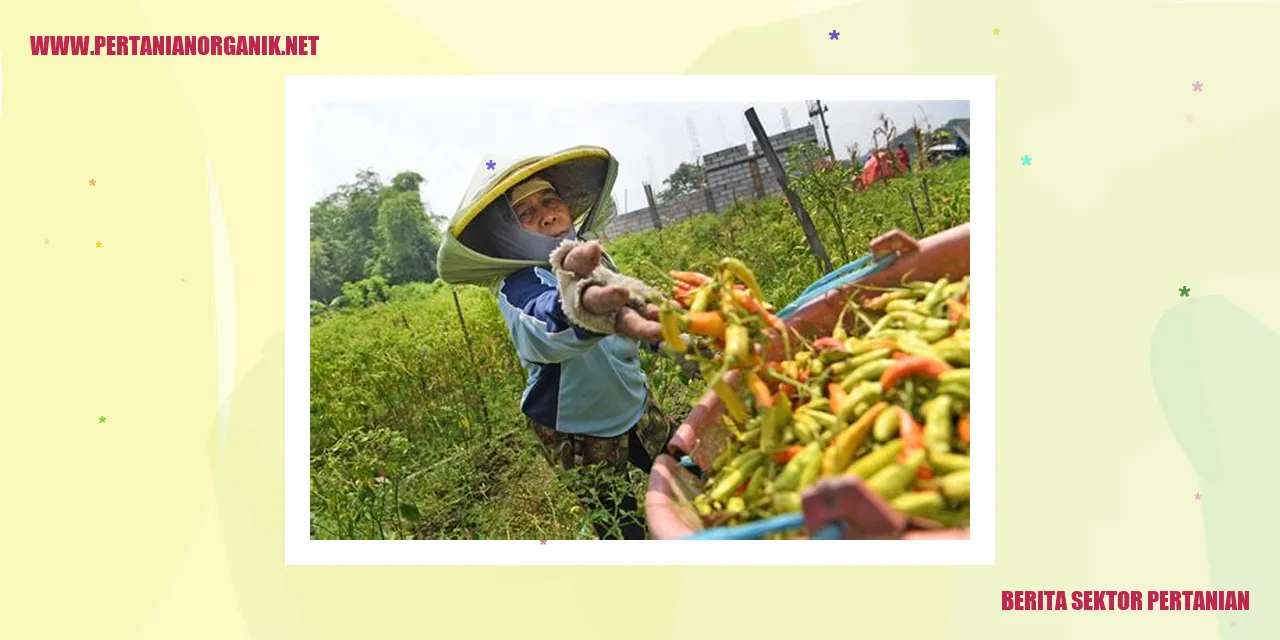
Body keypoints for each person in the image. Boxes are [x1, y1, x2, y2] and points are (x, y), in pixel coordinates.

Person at [437, 149, 680, 540]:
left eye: (550, 201)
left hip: (634, 401)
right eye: (526, 214)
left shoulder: (594, 259)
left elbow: (634, 310)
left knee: (692, 471)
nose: (547, 214)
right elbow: (548, 325)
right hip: (578, 431)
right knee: (623, 528)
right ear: (506, 235)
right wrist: (583, 307)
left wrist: (671, 338)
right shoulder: (519, 287)